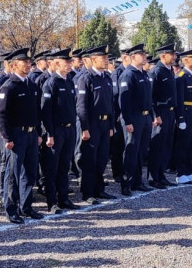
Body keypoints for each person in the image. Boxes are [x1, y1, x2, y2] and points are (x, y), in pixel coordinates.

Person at [0, 48, 43, 223]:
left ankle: (26, 206)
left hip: (31, 134)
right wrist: (6, 138)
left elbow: (37, 111)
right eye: (25, 62)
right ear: (14, 65)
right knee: (12, 174)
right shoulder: (9, 86)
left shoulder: (32, 85)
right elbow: (1, 114)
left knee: (29, 173)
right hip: (15, 135)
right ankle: (11, 209)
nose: (28, 65)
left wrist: (38, 132)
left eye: (30, 62)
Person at [39, 48, 79, 211]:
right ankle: (52, 201)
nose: (70, 65)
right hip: (55, 130)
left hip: (69, 130)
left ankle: (63, 198)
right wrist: (49, 133)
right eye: (66, 62)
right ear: (56, 64)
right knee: (52, 168)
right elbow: (46, 111)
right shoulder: (51, 83)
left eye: (70, 62)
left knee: (64, 166)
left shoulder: (69, 80)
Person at [76, 46, 116, 201]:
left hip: (105, 124)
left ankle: (99, 189)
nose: (107, 60)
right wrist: (85, 128)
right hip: (92, 124)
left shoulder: (106, 77)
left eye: (107, 58)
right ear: (94, 60)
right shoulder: (86, 78)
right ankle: (88, 193)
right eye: (103, 58)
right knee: (90, 159)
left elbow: (110, 104)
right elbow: (81, 106)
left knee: (102, 158)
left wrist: (111, 125)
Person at [119, 44, 155, 194]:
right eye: (142, 54)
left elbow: (148, 98)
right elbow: (124, 101)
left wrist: (151, 116)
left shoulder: (143, 74)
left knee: (141, 151)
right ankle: (126, 183)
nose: (145, 56)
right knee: (131, 151)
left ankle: (137, 181)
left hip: (145, 117)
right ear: (133, 57)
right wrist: (128, 121)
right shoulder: (129, 74)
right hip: (133, 117)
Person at [147, 43, 178, 187]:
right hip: (161, 112)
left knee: (166, 145)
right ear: (163, 55)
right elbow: (151, 96)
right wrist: (155, 115)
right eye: (172, 54)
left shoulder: (169, 70)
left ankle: (161, 174)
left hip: (170, 112)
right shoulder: (156, 71)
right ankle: (154, 177)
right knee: (157, 145)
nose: (175, 57)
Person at [174, 49, 192, 184]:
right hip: (186, 114)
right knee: (183, 145)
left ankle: (189, 170)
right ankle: (181, 173)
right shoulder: (181, 76)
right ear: (185, 60)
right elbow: (179, 100)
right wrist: (180, 118)